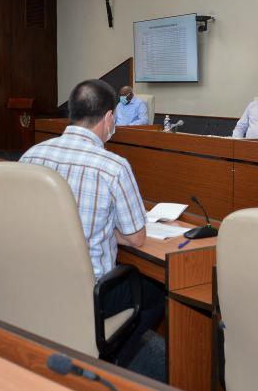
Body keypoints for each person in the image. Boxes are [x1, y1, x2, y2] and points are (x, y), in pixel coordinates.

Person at [20, 79, 163, 365]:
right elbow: (136, 238)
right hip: (90, 292)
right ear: (109, 117)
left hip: (35, 278)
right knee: (157, 292)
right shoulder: (113, 166)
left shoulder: (31, 155)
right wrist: (106, 228)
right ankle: (106, 361)